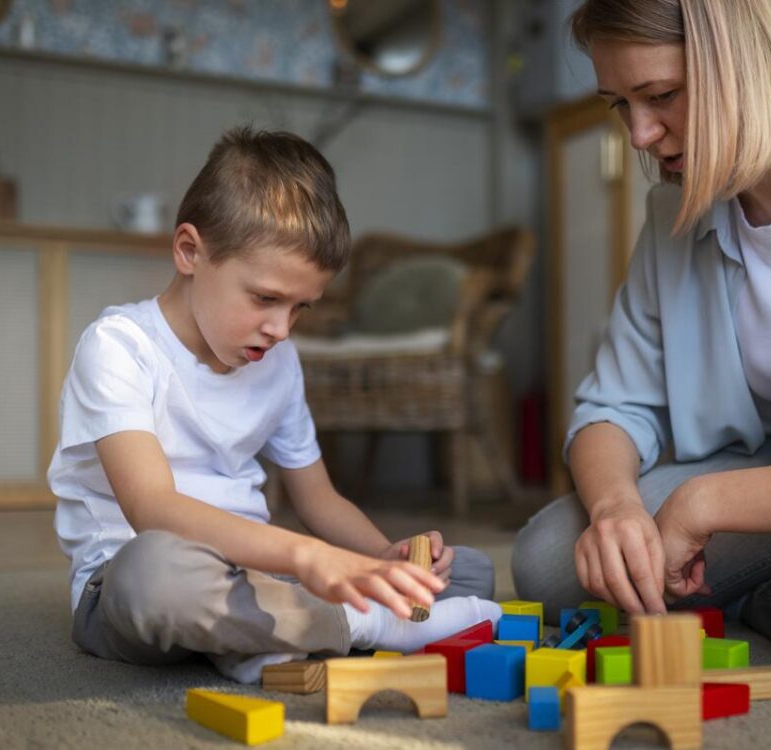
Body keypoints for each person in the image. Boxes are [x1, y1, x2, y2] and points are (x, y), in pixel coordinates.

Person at [512, 0, 771, 695]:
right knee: (554, 560)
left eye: (662, 95)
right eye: (620, 104)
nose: (640, 135)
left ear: (746, 61)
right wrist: (616, 510)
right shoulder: (671, 215)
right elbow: (611, 409)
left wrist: (703, 504)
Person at [48, 127, 499, 684]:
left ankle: (263, 633)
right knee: (153, 577)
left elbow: (319, 499)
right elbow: (153, 509)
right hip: (132, 581)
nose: (281, 329)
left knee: (467, 572)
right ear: (190, 252)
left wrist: (385, 557)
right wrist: (308, 557)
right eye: (265, 298)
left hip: (257, 576)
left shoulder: (279, 362)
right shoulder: (119, 347)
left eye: (300, 307)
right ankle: (366, 626)